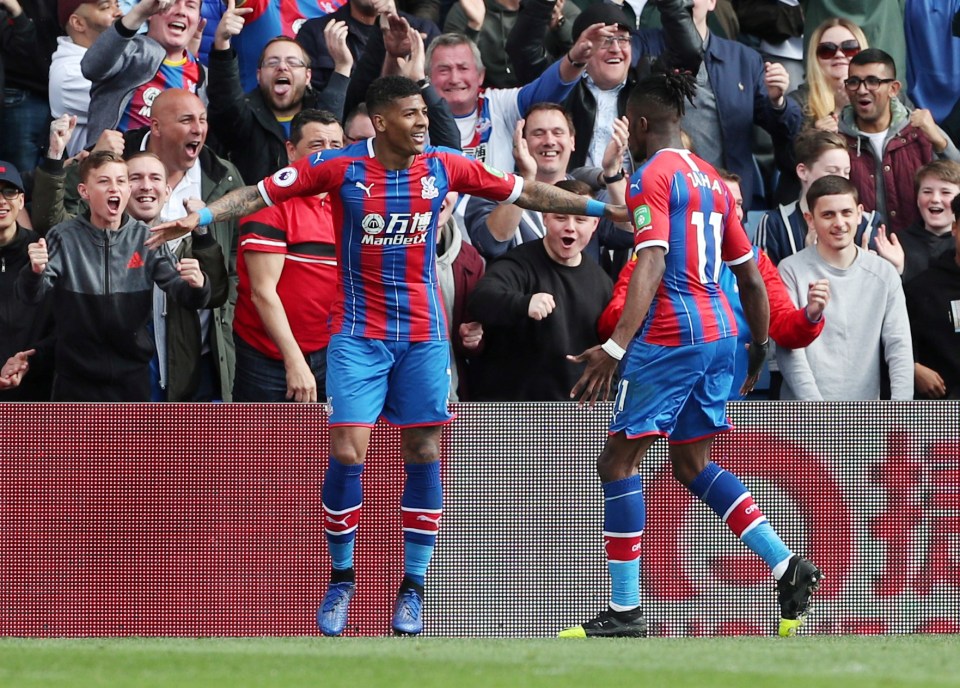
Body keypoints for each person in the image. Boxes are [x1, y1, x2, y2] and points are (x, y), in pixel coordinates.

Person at [147, 75, 628, 637]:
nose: (423, 122)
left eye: (425, 113)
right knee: (348, 451)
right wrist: (200, 217)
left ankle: (414, 586)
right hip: (357, 334)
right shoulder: (341, 167)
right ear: (380, 122)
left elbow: (527, 193)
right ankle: (343, 576)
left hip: (424, 337)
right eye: (411, 114)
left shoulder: (446, 165)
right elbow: (261, 192)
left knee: (423, 450)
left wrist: (604, 208)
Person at [560, 68, 821, 639]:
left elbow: (649, 262)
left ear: (642, 123)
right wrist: (756, 349)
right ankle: (786, 565)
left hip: (670, 339)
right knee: (691, 464)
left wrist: (614, 345)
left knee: (617, 462)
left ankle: (625, 610)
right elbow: (751, 278)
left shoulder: (650, 176)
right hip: (720, 337)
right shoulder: (712, 180)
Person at [599, 169, 829, 400]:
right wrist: (646, 305)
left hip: (726, 404)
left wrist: (810, 316)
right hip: (659, 401)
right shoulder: (653, 256)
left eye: (737, 204)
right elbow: (610, 324)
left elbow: (784, 328)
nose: (733, 213)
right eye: (724, 203)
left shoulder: (756, 262)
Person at [14, 151, 211, 401]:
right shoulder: (63, 237)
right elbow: (31, 296)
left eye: (120, 181)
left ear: (128, 190)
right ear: (85, 192)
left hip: (131, 381)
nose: (113, 188)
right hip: (74, 382)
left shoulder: (146, 237)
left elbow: (185, 295)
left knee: (129, 442)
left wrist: (198, 284)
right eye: (104, 181)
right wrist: (34, 272)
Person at [231, 109, 343, 403]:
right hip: (267, 356)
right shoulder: (270, 204)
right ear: (291, 152)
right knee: (262, 447)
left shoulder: (353, 204)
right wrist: (294, 361)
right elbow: (262, 292)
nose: (328, 155)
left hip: (333, 351)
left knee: (328, 447)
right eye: (317, 145)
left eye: (336, 146)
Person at [468, 179, 613, 401]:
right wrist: (523, 303)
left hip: (577, 413)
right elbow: (480, 301)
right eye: (561, 217)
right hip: (514, 411)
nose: (570, 227)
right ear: (545, 217)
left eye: (581, 219)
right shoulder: (517, 265)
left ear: (595, 225)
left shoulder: (602, 282)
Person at [776, 175, 914, 401]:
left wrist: (901, 411)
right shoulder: (790, 270)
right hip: (804, 420)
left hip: (865, 417)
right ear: (810, 219)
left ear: (860, 214)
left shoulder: (884, 273)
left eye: (846, 213)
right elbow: (789, 351)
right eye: (828, 215)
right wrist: (818, 413)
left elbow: (899, 345)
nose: (839, 223)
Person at [207, 5, 353, 185]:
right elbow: (224, 100)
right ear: (259, 75)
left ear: (308, 76)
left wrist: (343, 67)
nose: (282, 67)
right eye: (272, 62)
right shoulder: (244, 117)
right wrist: (222, 45)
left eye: (292, 62)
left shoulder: (320, 110)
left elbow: (331, 115)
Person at [838, 48, 960, 234]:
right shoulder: (836, 138)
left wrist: (939, 141)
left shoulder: (921, 130)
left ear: (893, 89)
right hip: (860, 254)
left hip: (921, 254)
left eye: (873, 81)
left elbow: (956, 179)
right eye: (854, 82)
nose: (862, 90)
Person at [81, 0, 206, 147]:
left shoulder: (201, 74)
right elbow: (91, 67)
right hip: (119, 165)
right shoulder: (127, 51)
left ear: (198, 20)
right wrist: (138, 13)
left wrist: (223, 46)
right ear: (151, 11)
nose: (181, 11)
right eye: (171, 3)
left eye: (190, 5)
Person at [756, 128, 884, 266]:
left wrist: (898, 268)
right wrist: (808, 259)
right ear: (803, 171)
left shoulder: (866, 223)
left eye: (846, 172)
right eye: (831, 171)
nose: (841, 179)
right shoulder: (776, 224)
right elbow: (763, 283)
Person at [0, 161, 54, 400]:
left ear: (21, 201)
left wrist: (31, 361)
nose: (2, 200)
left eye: (9, 191)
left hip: (35, 392)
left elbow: (61, 324)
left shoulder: (44, 251)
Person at [50, 0, 125, 158]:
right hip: (100, 176)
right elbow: (137, 99)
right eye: (105, 7)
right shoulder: (68, 72)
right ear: (78, 23)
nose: (119, 12)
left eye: (117, 4)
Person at [903, 193, 960, 399]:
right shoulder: (921, 288)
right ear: (954, 228)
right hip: (941, 414)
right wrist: (914, 368)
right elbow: (897, 343)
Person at [897, 160, 960, 284]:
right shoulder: (898, 243)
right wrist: (897, 270)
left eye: (945, 192)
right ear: (917, 199)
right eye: (927, 192)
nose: (935, 199)